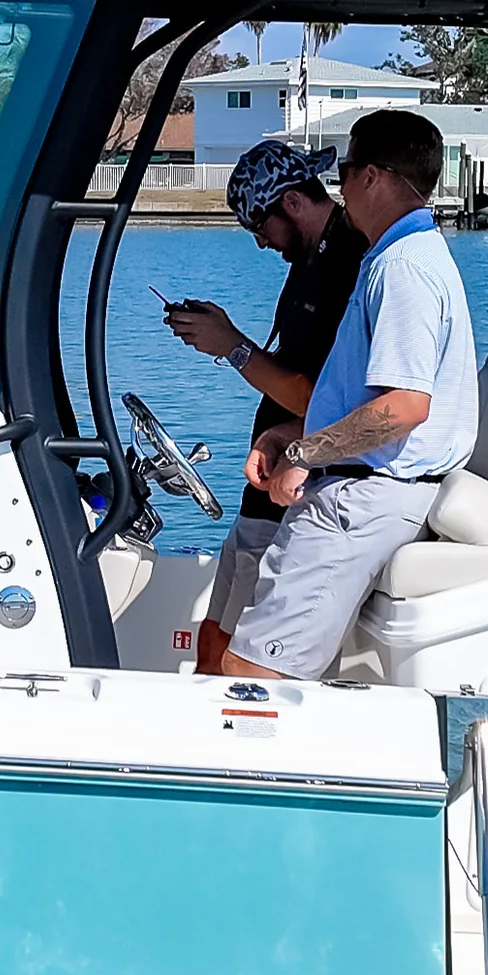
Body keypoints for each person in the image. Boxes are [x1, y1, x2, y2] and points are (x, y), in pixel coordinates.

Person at [207, 108, 474, 682]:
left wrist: (306, 452)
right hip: (354, 488)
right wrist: (293, 435)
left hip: (364, 496)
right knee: (240, 665)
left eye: (345, 170)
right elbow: (364, 393)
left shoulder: (404, 268)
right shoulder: (392, 258)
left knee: (252, 676)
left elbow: (406, 407)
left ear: (372, 176)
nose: (339, 185)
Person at [162, 139, 364, 670]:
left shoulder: (348, 263)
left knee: (231, 657)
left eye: (260, 226)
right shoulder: (310, 258)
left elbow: (321, 398)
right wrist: (223, 337)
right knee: (212, 639)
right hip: (268, 478)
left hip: (295, 487)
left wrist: (231, 344)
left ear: (292, 202)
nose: (260, 242)